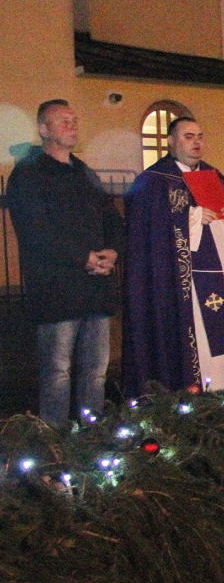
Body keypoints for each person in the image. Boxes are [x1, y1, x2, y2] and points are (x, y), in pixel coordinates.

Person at [123, 116, 224, 394]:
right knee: (203, 345)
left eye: (200, 136)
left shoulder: (216, 177)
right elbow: (151, 235)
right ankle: (200, 393)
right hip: (188, 288)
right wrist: (192, 218)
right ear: (170, 141)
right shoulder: (153, 182)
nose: (196, 142)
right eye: (188, 136)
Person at [7, 100, 124, 423]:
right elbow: (35, 231)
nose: (72, 125)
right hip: (57, 290)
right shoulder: (29, 174)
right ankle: (55, 443)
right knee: (57, 374)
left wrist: (112, 251)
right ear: (43, 129)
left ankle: (92, 436)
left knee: (95, 374)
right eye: (62, 121)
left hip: (95, 290)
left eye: (74, 119)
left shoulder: (84, 172)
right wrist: (83, 257)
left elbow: (111, 217)